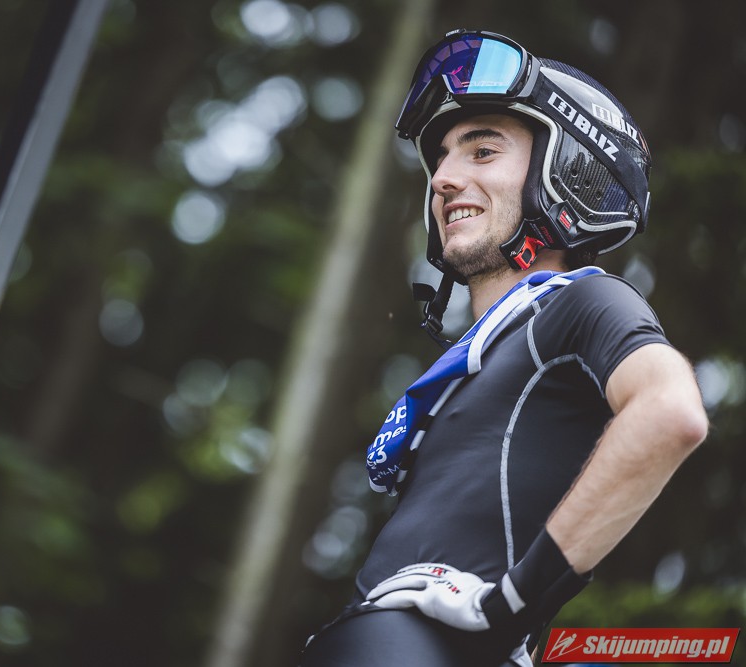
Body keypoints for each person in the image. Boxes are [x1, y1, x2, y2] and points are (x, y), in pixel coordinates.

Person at [299, 29, 708, 667]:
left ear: (568, 172)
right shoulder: (487, 348)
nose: (443, 179)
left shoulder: (582, 300)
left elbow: (670, 412)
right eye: (440, 160)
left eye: (483, 151)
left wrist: (515, 602)